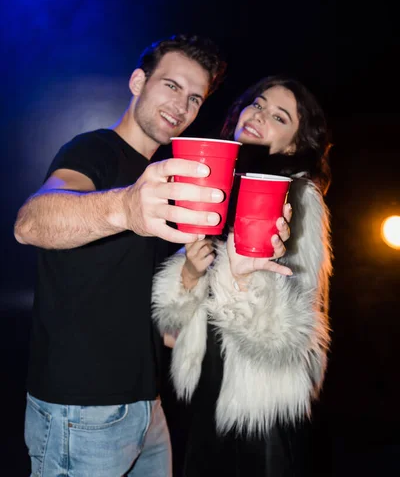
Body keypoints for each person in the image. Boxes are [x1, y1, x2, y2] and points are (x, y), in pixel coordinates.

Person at [13, 35, 291, 477]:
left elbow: (162, 327)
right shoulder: (93, 151)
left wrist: (211, 275)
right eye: (171, 86)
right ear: (138, 81)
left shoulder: (165, 183)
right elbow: (31, 223)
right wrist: (124, 208)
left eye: (195, 97)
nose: (182, 106)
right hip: (80, 412)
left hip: (146, 407)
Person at [152, 75, 333, 477]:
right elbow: (171, 329)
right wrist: (189, 272)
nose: (259, 115)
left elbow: (288, 335)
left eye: (279, 116)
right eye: (258, 103)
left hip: (259, 402)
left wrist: (243, 280)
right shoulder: (215, 188)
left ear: (296, 144)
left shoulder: (298, 199)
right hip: (204, 393)